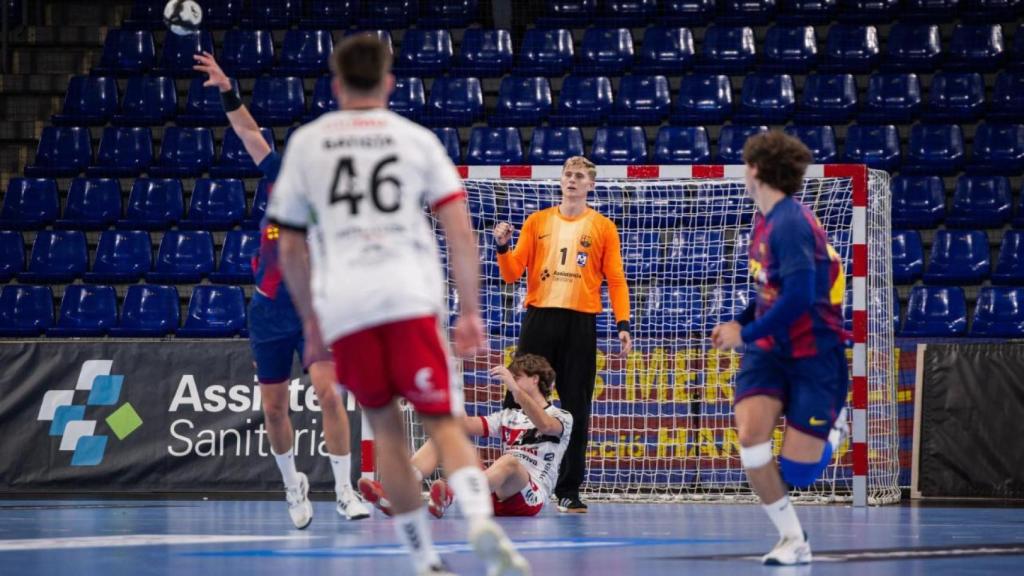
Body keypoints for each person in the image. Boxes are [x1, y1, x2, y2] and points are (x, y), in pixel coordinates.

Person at [266, 35, 530, 576]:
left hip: (347, 305)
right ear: (389, 83)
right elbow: (459, 230)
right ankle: (480, 524)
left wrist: (312, 321)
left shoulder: (310, 144)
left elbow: (288, 244)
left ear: (337, 86)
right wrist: (471, 311)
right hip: (410, 297)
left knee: (386, 427)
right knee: (442, 421)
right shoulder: (415, 140)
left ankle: (423, 556)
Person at [192, 51, 369, 529]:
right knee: (273, 407)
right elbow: (249, 133)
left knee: (330, 395)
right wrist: (228, 88)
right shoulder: (279, 178)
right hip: (270, 310)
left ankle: (345, 490)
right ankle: (294, 487)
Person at [710, 131, 850, 566]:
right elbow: (769, 292)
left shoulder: (790, 222)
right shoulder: (764, 219)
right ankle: (793, 539)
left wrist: (744, 335)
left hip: (813, 353)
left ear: (755, 169)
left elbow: (800, 296)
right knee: (751, 439)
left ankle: (833, 429)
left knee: (799, 473)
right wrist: (744, 321)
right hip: (769, 351)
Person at [491, 156, 632, 514]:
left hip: (581, 323)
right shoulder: (537, 221)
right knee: (518, 395)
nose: (572, 180)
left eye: (579, 176)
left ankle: (568, 489)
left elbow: (615, 280)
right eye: (568, 174)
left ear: (590, 185)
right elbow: (511, 275)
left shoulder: (603, 227)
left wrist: (623, 324)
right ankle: (507, 480)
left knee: (576, 404)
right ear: (561, 180)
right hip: (539, 318)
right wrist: (503, 247)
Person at [359, 354, 572, 519]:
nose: (510, 382)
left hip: (528, 497)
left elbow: (544, 425)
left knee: (510, 461)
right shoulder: (508, 416)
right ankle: (396, 493)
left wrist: (515, 389)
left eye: (517, 377)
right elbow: (464, 425)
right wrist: (447, 390)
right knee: (444, 437)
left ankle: (449, 494)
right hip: (491, 489)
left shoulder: (562, 417)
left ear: (535, 379)